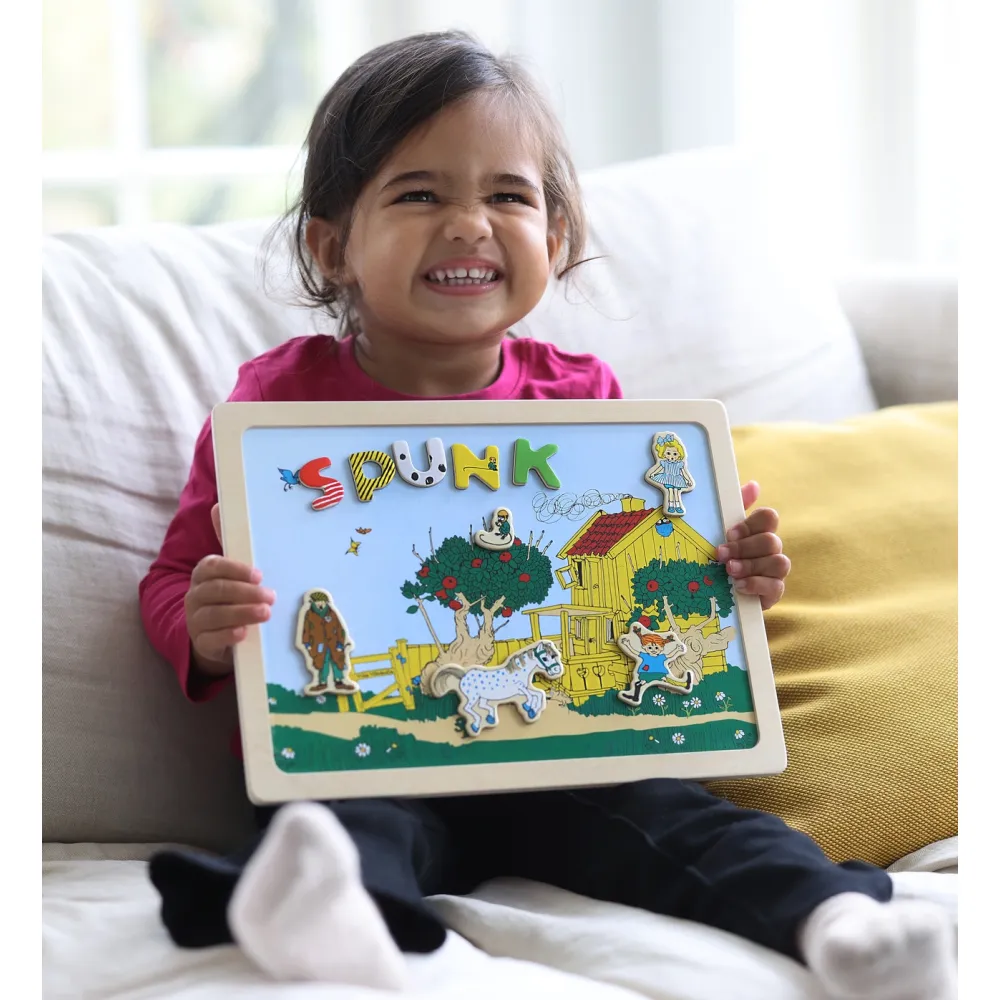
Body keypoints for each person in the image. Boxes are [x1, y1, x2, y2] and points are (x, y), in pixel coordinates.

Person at [139, 30, 955, 1000]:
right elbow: (172, 579)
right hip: (368, 762)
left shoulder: (586, 400)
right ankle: (328, 916)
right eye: (419, 194)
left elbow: (646, 568)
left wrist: (729, 573)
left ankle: (844, 925)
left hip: (573, 762)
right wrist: (205, 628)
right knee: (343, 822)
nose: (469, 225)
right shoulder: (273, 410)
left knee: (688, 822)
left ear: (556, 239)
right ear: (331, 245)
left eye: (508, 196)